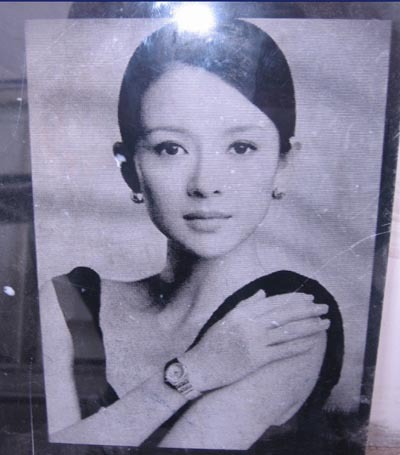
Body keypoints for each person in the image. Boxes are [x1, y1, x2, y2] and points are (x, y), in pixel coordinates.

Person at [39, 19, 343, 450]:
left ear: (283, 165)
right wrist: (192, 373)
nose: (205, 183)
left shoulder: (287, 320)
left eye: (241, 147)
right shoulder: (68, 302)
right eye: (171, 148)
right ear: (129, 170)